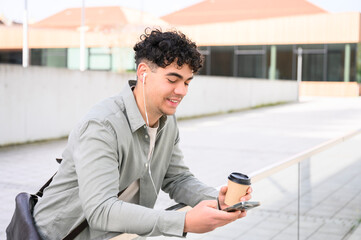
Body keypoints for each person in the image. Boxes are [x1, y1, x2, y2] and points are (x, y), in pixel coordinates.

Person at [33, 28, 252, 240]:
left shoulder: (166, 120)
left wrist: (217, 200)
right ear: (143, 73)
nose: (182, 91)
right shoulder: (102, 126)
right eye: (172, 80)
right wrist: (183, 222)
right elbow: (101, 210)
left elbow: (176, 178)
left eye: (186, 82)